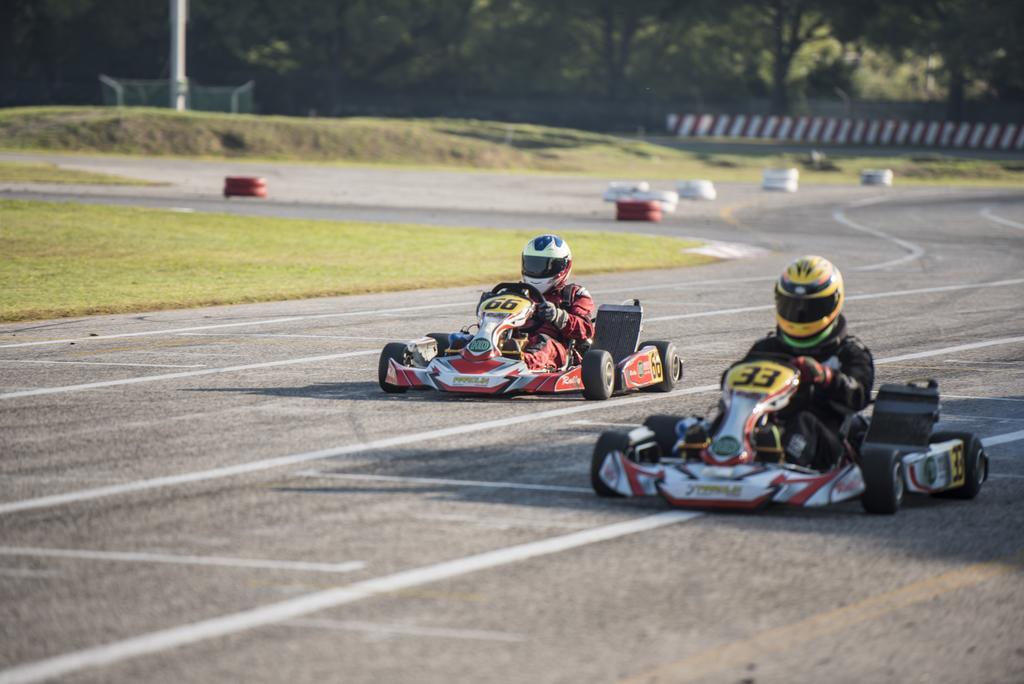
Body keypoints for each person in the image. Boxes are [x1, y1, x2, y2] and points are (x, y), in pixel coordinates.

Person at [684, 256, 874, 471]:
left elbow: (860, 395)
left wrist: (825, 376)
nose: (800, 314)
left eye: (810, 307)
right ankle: (703, 453)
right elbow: (732, 382)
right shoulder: (767, 347)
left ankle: (783, 463)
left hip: (826, 440)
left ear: (833, 302)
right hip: (766, 425)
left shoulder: (849, 352)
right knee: (728, 414)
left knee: (804, 421)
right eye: (793, 305)